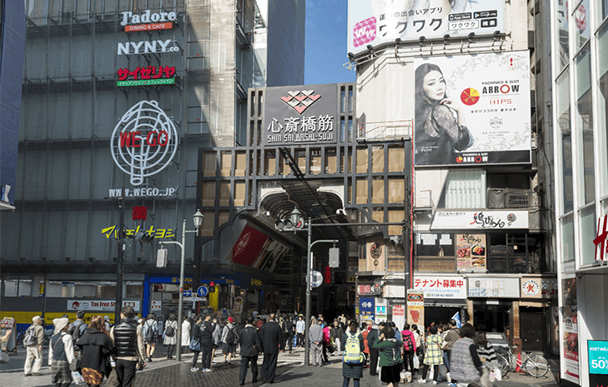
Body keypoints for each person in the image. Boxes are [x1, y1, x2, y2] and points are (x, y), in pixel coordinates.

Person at [414, 63, 473, 165]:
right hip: (444, 167)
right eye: (432, 83)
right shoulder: (439, 111)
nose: (439, 87)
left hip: (423, 165)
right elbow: (462, 143)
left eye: (441, 81)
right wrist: (459, 110)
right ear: (421, 88)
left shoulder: (419, 112)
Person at [110, 306, 146, 387]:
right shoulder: (137, 328)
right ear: (132, 316)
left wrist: (113, 357)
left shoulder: (114, 328)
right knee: (128, 383)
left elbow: (112, 345)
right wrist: (143, 359)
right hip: (131, 359)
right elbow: (140, 346)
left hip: (118, 358)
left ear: (122, 315)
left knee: (119, 381)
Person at [76, 315, 114, 387]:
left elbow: (80, 348)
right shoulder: (103, 336)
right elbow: (108, 350)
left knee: (89, 385)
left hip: (84, 366)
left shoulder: (86, 335)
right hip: (97, 367)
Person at [49, 317, 74, 387]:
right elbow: (69, 352)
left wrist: (50, 363)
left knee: (58, 381)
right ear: (65, 326)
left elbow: (51, 351)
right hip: (64, 362)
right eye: (68, 324)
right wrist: (72, 363)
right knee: (67, 381)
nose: (69, 326)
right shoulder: (68, 337)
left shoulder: (53, 337)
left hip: (54, 361)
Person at [238, 316, 263, 385]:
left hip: (244, 350)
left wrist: (242, 347)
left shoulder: (241, 331)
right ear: (253, 322)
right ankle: (254, 378)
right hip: (253, 351)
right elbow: (258, 342)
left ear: (246, 322)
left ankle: (241, 379)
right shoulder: (255, 331)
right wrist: (260, 350)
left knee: (243, 366)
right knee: (254, 365)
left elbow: (240, 341)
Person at [260, 313, 282, 383]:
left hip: (265, 347)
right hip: (274, 347)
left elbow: (261, 337)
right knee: (272, 363)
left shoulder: (264, 326)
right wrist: (282, 347)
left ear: (269, 318)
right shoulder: (277, 326)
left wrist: (260, 348)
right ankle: (270, 378)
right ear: (275, 318)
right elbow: (280, 338)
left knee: (265, 362)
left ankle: (264, 376)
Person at [341, 320, 364, 387]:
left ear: (349, 326)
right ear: (357, 327)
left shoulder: (345, 335)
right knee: (356, 380)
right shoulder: (359, 335)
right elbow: (362, 348)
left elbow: (342, 348)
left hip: (347, 361)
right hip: (357, 361)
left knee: (346, 380)